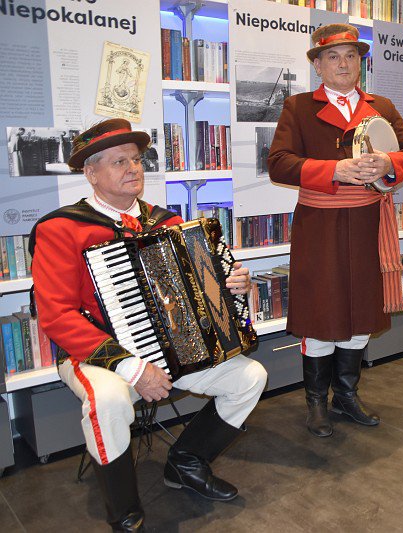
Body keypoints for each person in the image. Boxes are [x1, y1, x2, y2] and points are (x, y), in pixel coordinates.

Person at [30, 118, 268, 532]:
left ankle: (186, 463)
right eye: (119, 161)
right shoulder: (61, 229)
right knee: (109, 400)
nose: (133, 168)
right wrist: (132, 367)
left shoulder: (167, 223)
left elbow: (204, 296)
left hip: (173, 349)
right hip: (94, 355)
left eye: (136, 159)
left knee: (250, 377)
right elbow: (57, 316)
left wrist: (233, 286)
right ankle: (123, 507)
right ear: (91, 173)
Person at [268, 24, 403, 438]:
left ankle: (346, 395)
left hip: (367, 225)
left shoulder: (382, 106)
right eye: (333, 57)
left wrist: (390, 163)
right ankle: (316, 402)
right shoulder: (298, 107)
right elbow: (279, 164)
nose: (343, 64)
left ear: (361, 63)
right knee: (320, 315)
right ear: (318, 66)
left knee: (360, 315)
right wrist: (333, 170)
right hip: (319, 226)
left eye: (351, 56)